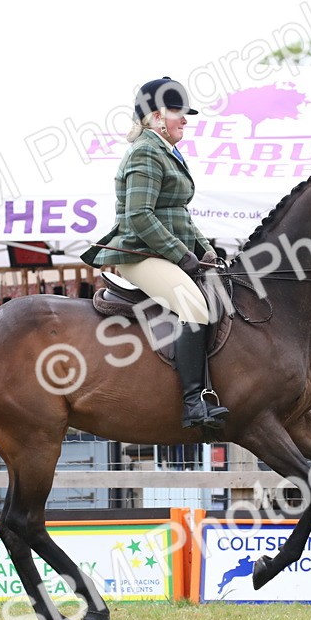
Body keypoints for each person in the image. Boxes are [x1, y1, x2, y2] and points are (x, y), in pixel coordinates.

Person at [82, 77, 228, 429]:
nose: (185, 120)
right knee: (193, 305)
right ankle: (193, 403)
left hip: (162, 253)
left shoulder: (166, 151)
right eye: (179, 112)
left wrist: (207, 252)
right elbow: (139, 215)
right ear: (158, 115)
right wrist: (180, 254)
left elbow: (178, 214)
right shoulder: (146, 151)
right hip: (139, 254)